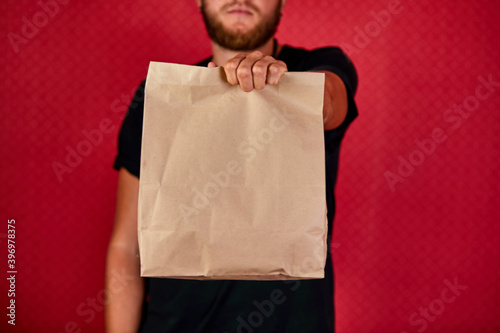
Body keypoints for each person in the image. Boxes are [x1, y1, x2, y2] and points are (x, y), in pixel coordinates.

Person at [105, 0, 358, 332]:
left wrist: (283, 82)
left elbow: (328, 101)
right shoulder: (162, 96)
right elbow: (126, 245)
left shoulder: (317, 66)